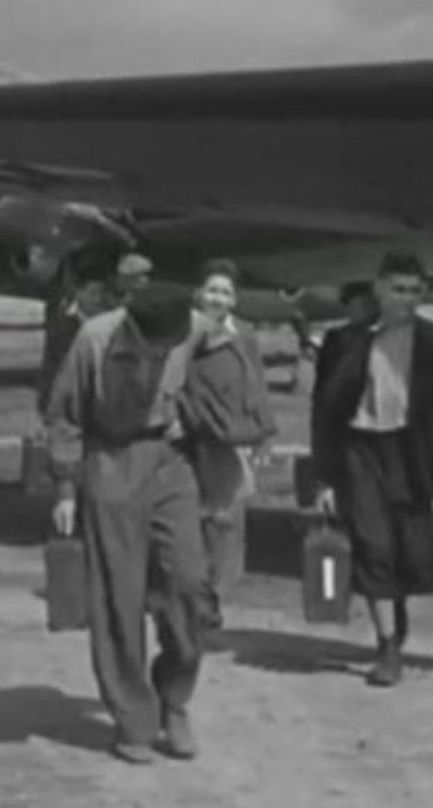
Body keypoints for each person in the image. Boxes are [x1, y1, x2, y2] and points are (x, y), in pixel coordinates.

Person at [45, 285, 209, 765]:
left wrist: (194, 415)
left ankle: (174, 695)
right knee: (119, 595)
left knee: (189, 582)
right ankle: (134, 718)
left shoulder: (196, 328)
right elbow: (64, 416)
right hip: (112, 459)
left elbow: (225, 374)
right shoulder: (95, 339)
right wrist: (66, 489)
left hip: (171, 461)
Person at [311, 251, 433, 686]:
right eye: (397, 289)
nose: (406, 299)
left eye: (414, 291)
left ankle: (399, 613)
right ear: (379, 289)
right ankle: (388, 646)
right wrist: (323, 478)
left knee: (415, 552)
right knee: (373, 545)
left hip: (412, 456)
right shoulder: (345, 341)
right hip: (360, 452)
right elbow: (324, 413)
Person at [175, 258, 277, 629]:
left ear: (234, 300)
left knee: (224, 518)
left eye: (225, 293)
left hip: (228, 437)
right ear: (198, 294)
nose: (218, 299)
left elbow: (256, 382)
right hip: (187, 433)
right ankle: (186, 590)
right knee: (186, 515)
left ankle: (213, 593)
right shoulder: (182, 331)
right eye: (212, 291)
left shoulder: (243, 335)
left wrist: (263, 431)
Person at [38, 257, 115, 415]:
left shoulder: (113, 324)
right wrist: (48, 406)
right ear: (78, 292)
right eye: (92, 293)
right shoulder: (61, 325)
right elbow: (51, 369)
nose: (97, 299)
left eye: (102, 294)